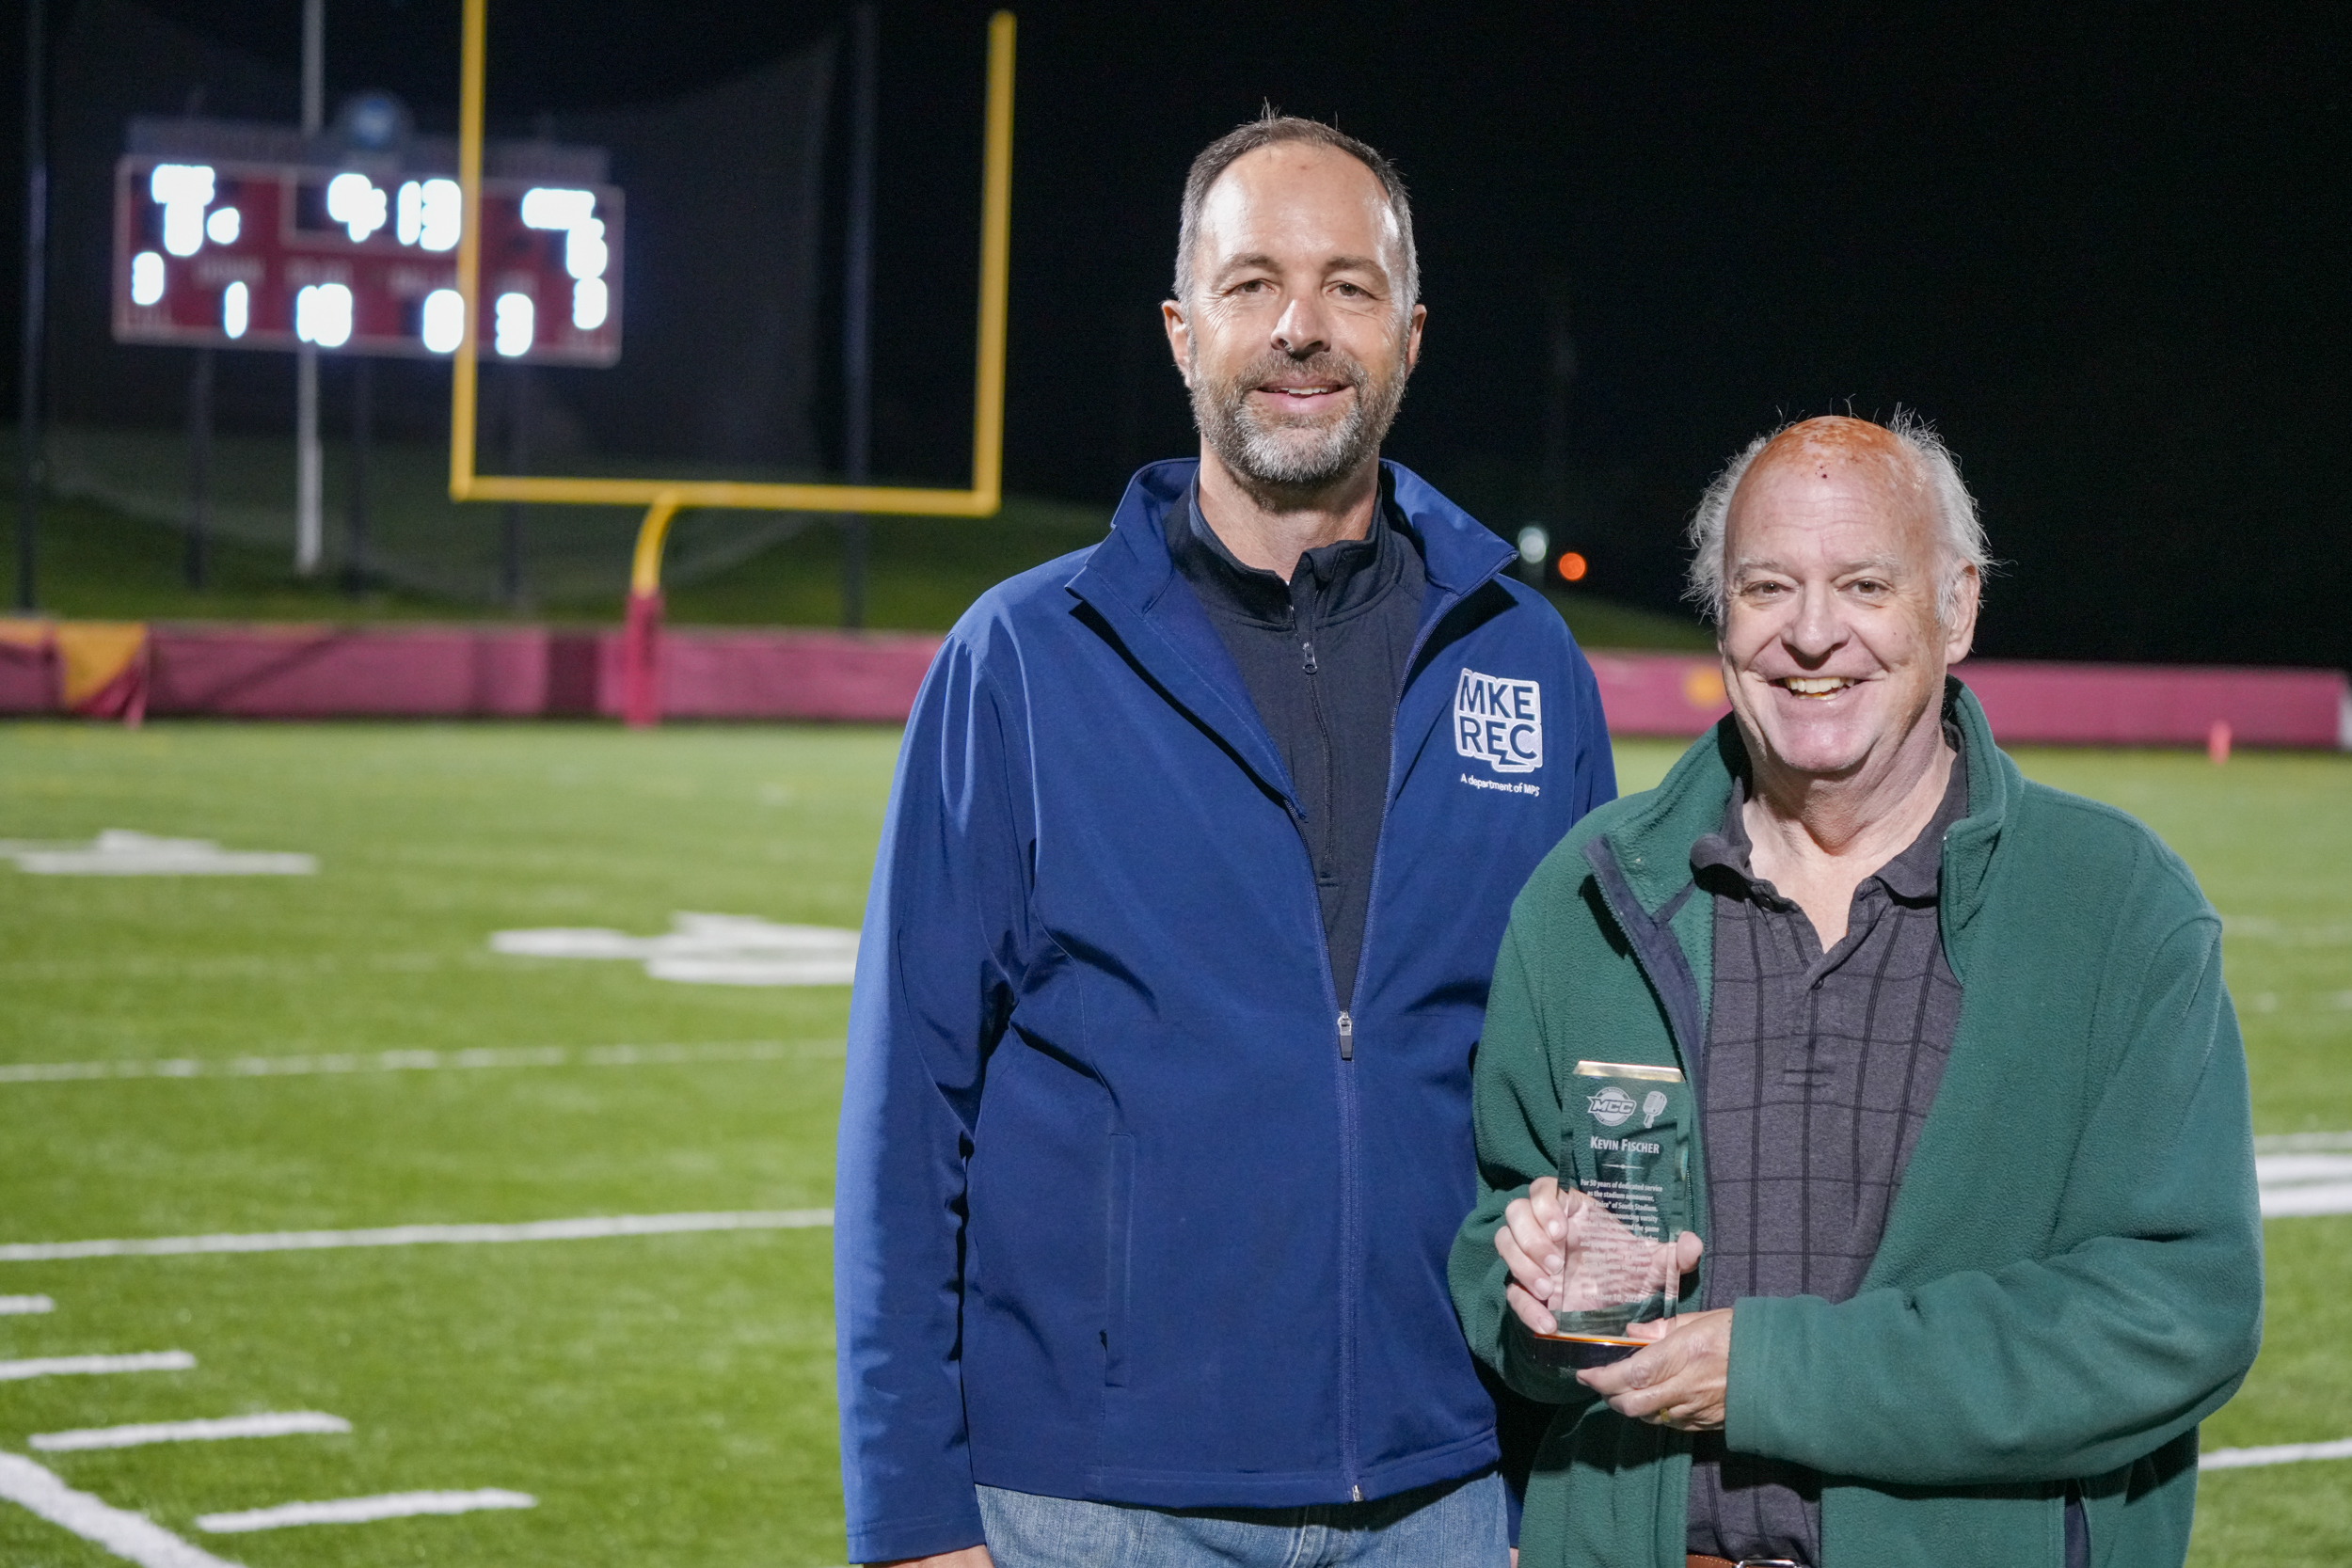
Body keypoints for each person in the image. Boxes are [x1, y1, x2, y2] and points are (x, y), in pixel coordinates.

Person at [834, 114, 1616, 1568]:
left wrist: (1552, 1482)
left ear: (1413, 333)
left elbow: (1583, 1093)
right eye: (1253, 283)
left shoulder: (1526, 656)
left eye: (1349, 286)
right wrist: (911, 1519)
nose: (1301, 329)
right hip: (1094, 1499)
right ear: (1185, 329)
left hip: (1442, 1490)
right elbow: (905, 1105)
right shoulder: (1018, 657)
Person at [1450, 413, 2264, 1568]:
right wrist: (1540, 1294)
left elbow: (2173, 1312)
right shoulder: (1583, 897)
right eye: (1767, 585)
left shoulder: (2118, 909)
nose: (1812, 633)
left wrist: (1770, 1373)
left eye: (1865, 584)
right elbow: (1493, 1241)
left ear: (1957, 606)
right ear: (1721, 615)